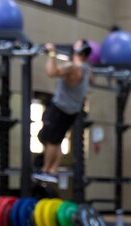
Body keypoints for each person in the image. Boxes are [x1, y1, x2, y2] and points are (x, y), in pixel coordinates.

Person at [34, 40, 93, 182]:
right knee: (56, 140)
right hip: (71, 111)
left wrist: (51, 53)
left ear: (79, 51)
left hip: (60, 108)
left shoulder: (73, 66)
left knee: (51, 141)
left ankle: (46, 170)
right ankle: (53, 170)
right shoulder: (87, 70)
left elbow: (51, 72)